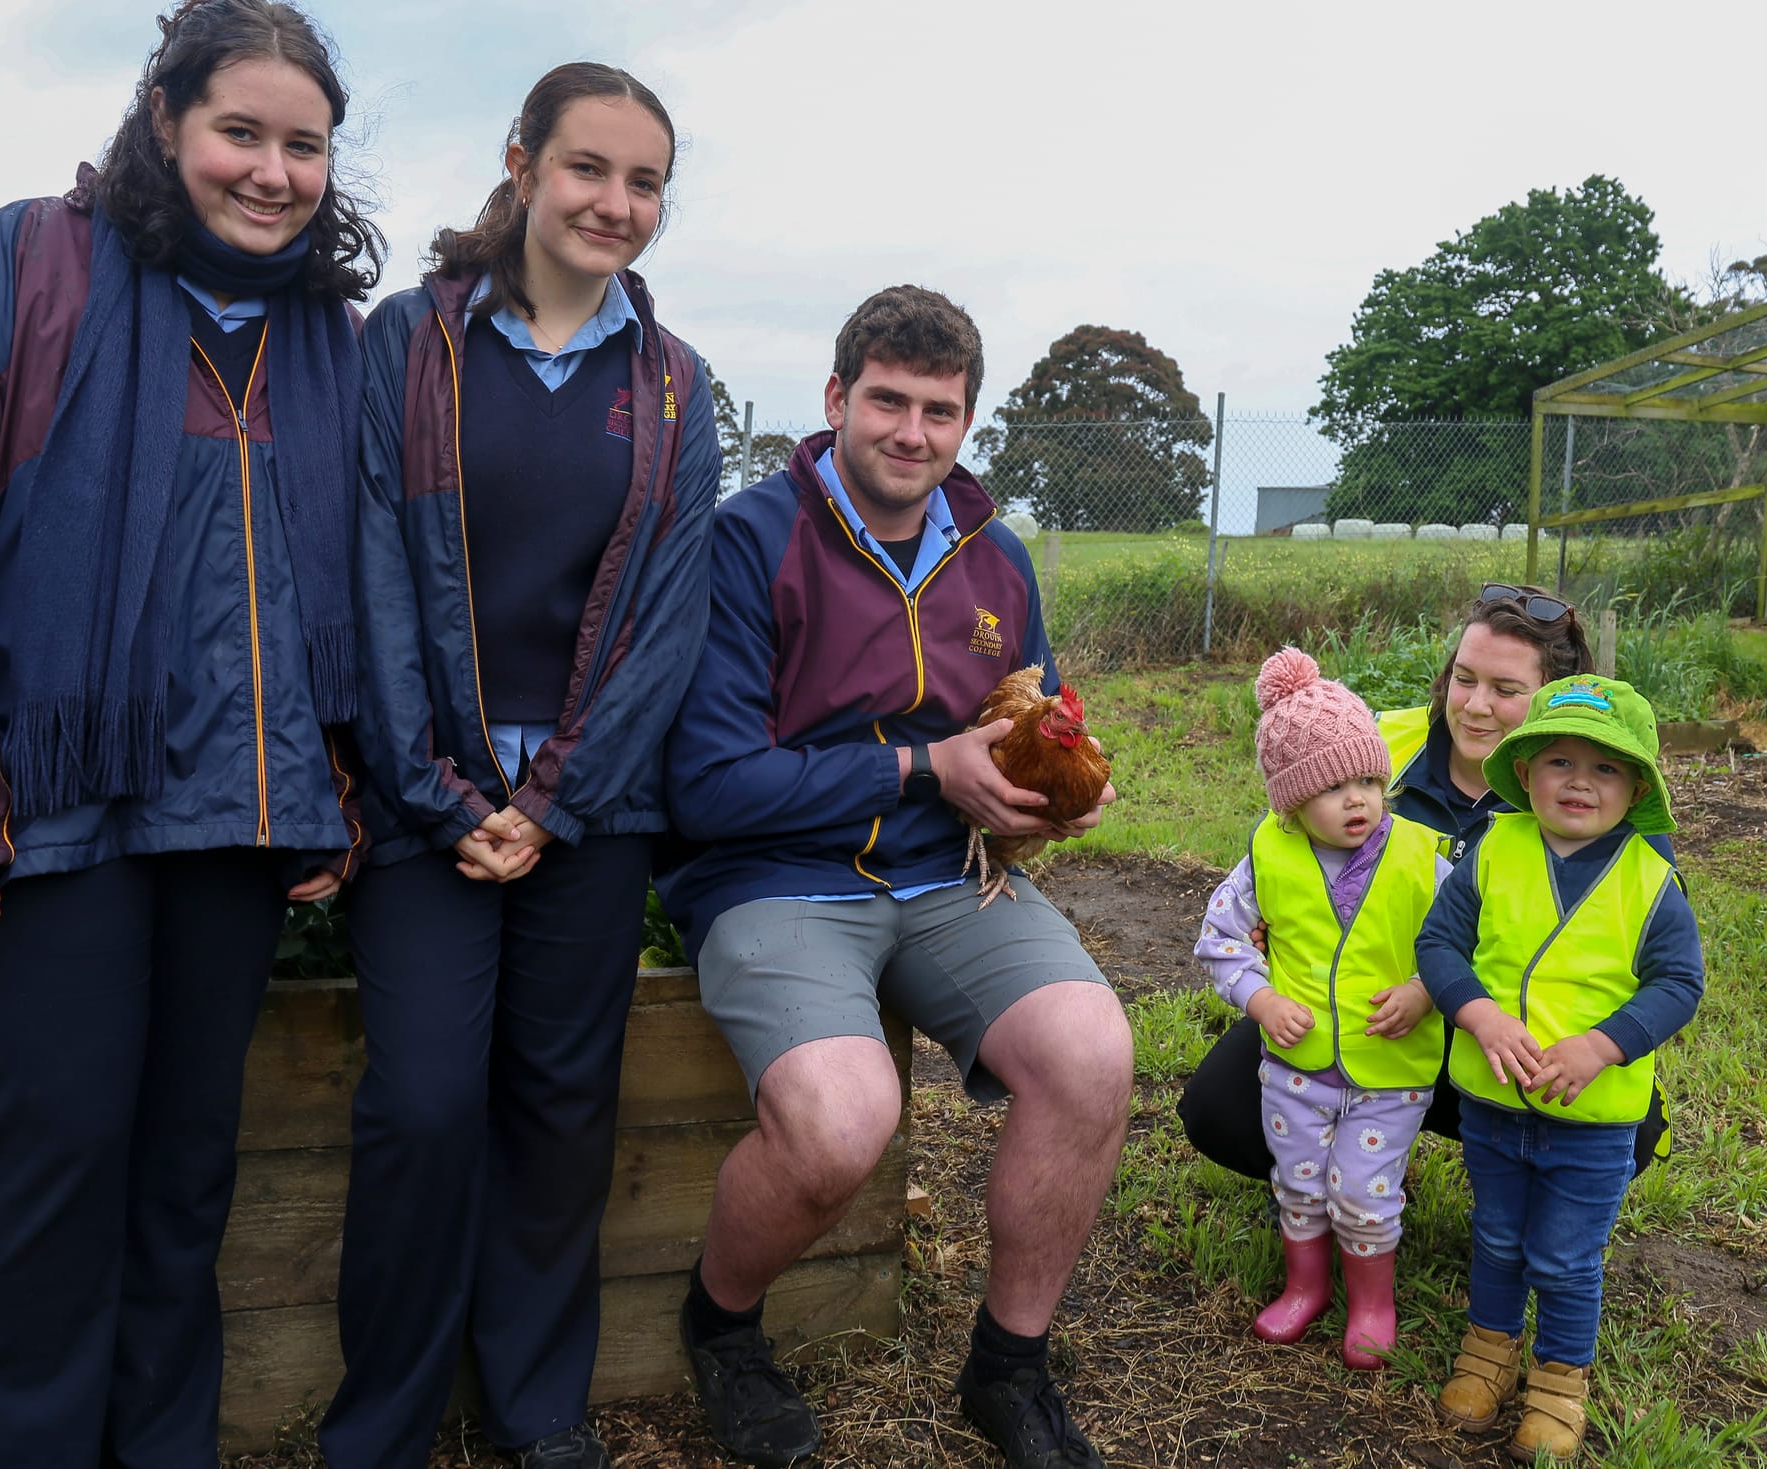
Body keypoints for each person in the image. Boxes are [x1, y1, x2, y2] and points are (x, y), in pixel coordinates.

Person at [0, 2, 377, 1463]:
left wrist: (333, 782)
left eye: (304, 146)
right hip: (40, 818)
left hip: (231, 822)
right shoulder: (27, 265)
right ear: (163, 120)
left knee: (182, 1182)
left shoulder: (325, 338)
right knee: (49, 1173)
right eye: (239, 131)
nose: (272, 171)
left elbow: (343, 582)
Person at [656, 285, 1131, 1469]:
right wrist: (923, 766)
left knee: (1091, 1053)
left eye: (938, 410)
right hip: (776, 875)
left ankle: (1008, 1367)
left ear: (966, 421)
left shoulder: (995, 556)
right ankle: (722, 1324)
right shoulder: (747, 541)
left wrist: (1052, 792)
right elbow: (707, 786)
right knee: (840, 1122)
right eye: (887, 401)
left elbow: (1028, 721)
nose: (911, 432)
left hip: (949, 873)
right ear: (835, 398)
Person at [320, 63, 719, 1469]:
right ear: (522, 164)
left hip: (589, 809)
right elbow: (371, 573)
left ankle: (538, 1409)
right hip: (423, 798)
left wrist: (552, 798)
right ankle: (382, 1422)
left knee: (561, 1111)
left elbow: (668, 615)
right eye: (588, 168)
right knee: (423, 1105)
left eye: (644, 181)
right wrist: (438, 791)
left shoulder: (673, 384)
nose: (615, 202)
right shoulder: (412, 342)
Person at [1180, 585, 1677, 1180]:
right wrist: (1278, 921)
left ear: (1557, 703)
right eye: (1464, 679)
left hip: (1509, 1031)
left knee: (1624, 1133)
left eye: (1506, 690)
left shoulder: (1595, 798)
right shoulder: (1376, 742)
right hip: (1364, 1014)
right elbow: (1288, 842)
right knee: (1219, 1107)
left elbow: (1647, 942)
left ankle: (1511, 1189)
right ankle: (1333, 1181)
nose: (1476, 706)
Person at [1418, 675, 1703, 1458]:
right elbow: (1438, 944)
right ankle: (1489, 1348)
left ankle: (1557, 1381)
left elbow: (1680, 982)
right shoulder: (1493, 849)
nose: (1580, 781)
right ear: (1525, 770)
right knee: (1497, 1235)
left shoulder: (1651, 879)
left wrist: (1601, 1045)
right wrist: (1479, 1013)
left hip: (1593, 1122)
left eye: (1606, 767)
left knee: (1568, 1257)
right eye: (1560, 762)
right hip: (1493, 1103)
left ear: (1637, 787)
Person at [1196, 647, 1449, 1369]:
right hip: (1295, 1067)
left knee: (1363, 1191)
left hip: (1389, 1069)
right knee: (1300, 1182)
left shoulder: (1422, 856)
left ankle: (1372, 1303)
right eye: (1334, 786)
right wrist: (1261, 997)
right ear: (1292, 798)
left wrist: (1425, 990)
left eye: (1369, 780)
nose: (1358, 800)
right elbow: (1219, 938)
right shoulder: (1267, 856)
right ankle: (1305, 1285)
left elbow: (1468, 942)